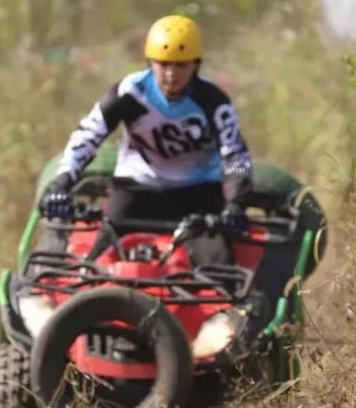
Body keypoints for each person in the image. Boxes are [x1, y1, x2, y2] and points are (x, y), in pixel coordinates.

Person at [38, 14, 253, 263]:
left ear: (196, 64)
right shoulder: (130, 93)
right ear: (150, 62)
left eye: (180, 65)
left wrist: (236, 205)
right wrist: (61, 184)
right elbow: (87, 136)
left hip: (200, 193)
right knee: (96, 264)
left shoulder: (214, 101)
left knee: (219, 271)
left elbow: (236, 155)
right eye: (163, 64)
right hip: (137, 188)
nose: (171, 74)